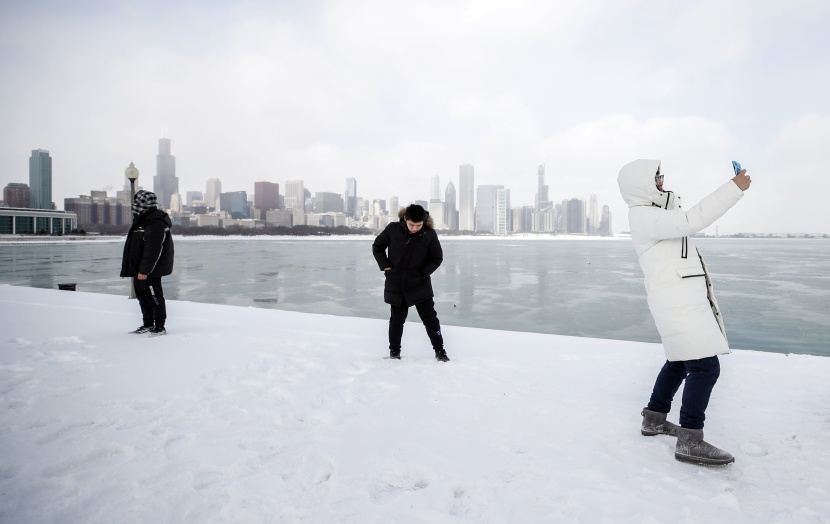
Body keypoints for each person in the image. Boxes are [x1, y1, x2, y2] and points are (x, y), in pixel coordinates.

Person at [617, 159, 751, 466]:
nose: (662, 181)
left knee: (679, 361)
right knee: (705, 367)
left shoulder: (659, 213)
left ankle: (654, 419)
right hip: (676, 301)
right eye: (656, 178)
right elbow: (692, 220)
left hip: (679, 298)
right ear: (642, 185)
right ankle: (690, 440)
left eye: (661, 176)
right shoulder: (645, 216)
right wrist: (733, 188)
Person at [372, 204, 450, 362]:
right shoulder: (393, 229)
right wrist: (386, 266)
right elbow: (377, 246)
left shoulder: (429, 234)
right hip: (396, 283)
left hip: (420, 284)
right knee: (396, 320)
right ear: (405, 220)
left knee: (430, 319)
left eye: (419, 225)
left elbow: (437, 258)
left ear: (424, 221)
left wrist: (422, 273)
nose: (415, 228)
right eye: (412, 225)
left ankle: (440, 352)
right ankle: (394, 353)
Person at [120, 190, 175, 337]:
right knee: (142, 296)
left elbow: (153, 249)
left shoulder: (155, 221)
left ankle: (159, 327)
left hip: (150, 270)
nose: (135, 205)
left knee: (154, 297)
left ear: (144, 204)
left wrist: (145, 270)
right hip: (139, 268)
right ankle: (148, 324)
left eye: (138, 202)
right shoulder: (142, 219)